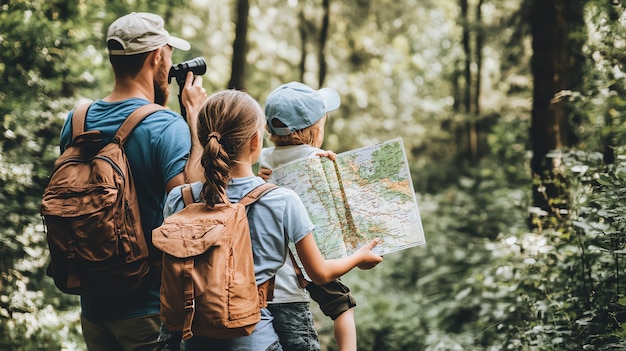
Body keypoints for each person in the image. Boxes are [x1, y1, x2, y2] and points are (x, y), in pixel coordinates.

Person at [160, 90, 383, 351]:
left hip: (192, 338)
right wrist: (359, 257)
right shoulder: (282, 200)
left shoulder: (179, 198)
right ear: (256, 141)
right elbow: (319, 273)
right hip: (256, 340)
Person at [58, 12, 207, 351]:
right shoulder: (166, 126)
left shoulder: (76, 121)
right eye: (168, 54)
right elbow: (190, 207)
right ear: (157, 56)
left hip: (93, 307)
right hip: (149, 309)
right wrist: (195, 116)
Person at [257, 82, 359, 351]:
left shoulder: (262, 159)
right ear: (316, 130)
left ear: (269, 130)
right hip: (312, 260)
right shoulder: (321, 161)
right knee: (342, 305)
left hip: (270, 272)